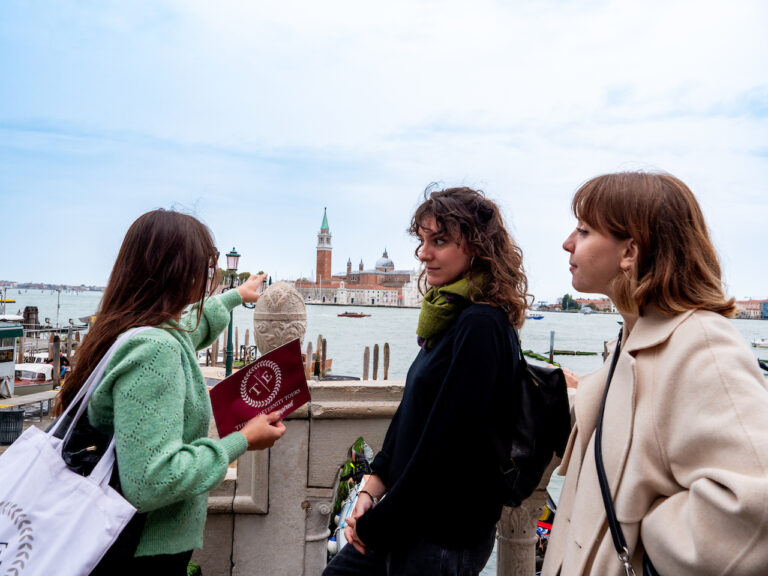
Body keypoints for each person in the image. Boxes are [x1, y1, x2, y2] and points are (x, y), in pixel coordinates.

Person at [542, 172, 768, 575]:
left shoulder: (702, 345)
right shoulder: (636, 338)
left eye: (584, 229)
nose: (568, 242)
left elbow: (754, 511)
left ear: (629, 252)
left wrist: (643, 531)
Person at [54, 209, 287, 575]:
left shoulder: (125, 331)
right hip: (140, 553)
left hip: (106, 539)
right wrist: (242, 440)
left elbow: (183, 335)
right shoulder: (154, 349)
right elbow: (151, 481)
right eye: (206, 271)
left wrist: (234, 297)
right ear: (181, 273)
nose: (208, 282)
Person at [323, 186, 531, 576]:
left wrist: (379, 524)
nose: (423, 253)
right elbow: (410, 418)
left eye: (440, 241)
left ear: (478, 247)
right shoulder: (451, 315)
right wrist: (371, 487)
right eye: (422, 240)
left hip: (441, 533)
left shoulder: (481, 325)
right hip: (405, 517)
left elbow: (446, 444)